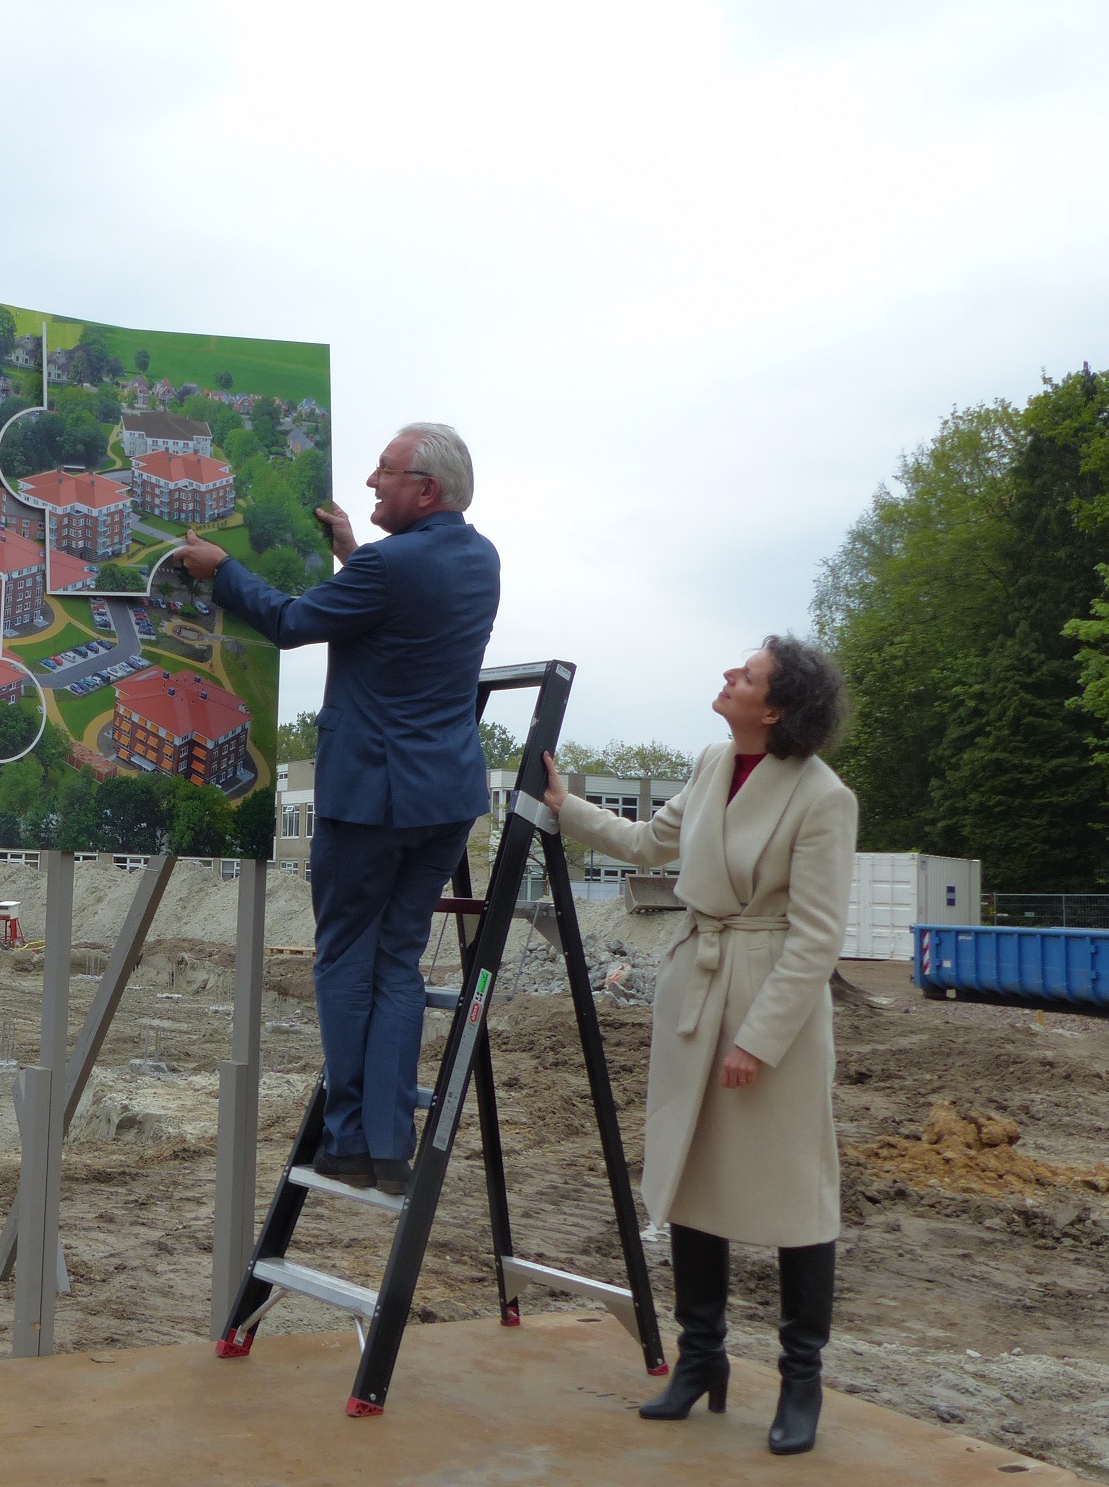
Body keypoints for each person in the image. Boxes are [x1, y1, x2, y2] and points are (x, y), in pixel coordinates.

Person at [541, 637, 856, 1457]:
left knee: (796, 1193)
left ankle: (800, 1381)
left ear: (777, 707)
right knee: (688, 1177)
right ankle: (700, 1361)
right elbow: (651, 845)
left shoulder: (824, 798)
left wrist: (759, 1040)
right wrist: (566, 805)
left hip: (766, 999)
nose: (727, 676)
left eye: (745, 676)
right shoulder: (716, 760)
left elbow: (818, 939)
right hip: (695, 987)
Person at [176, 423, 499, 1197]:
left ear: (426, 489)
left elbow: (290, 624)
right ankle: (386, 1144)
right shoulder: (478, 557)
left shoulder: (390, 567)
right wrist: (356, 552)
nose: (369, 483)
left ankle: (352, 1138)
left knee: (347, 960)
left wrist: (222, 571)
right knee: (396, 961)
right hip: (444, 796)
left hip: (373, 799)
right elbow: (399, 604)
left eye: (384, 473)